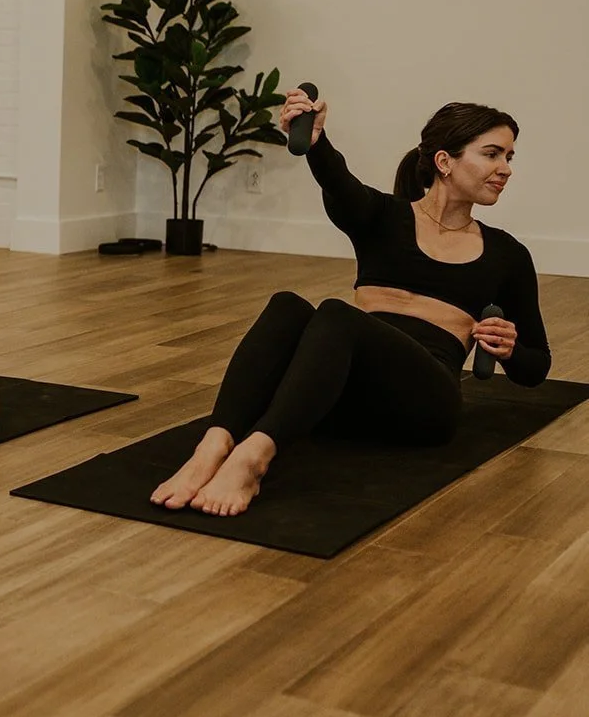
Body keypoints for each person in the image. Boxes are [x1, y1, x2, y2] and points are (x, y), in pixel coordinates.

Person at [150, 91, 549, 517]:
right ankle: (214, 445)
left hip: (424, 404)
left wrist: (509, 350)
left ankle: (254, 458)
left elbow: (536, 366)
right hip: (344, 396)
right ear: (445, 161)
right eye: (492, 154)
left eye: (509, 156)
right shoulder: (382, 218)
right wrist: (317, 139)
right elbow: (337, 181)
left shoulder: (507, 254)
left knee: (338, 316)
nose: (505, 169)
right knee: (288, 305)